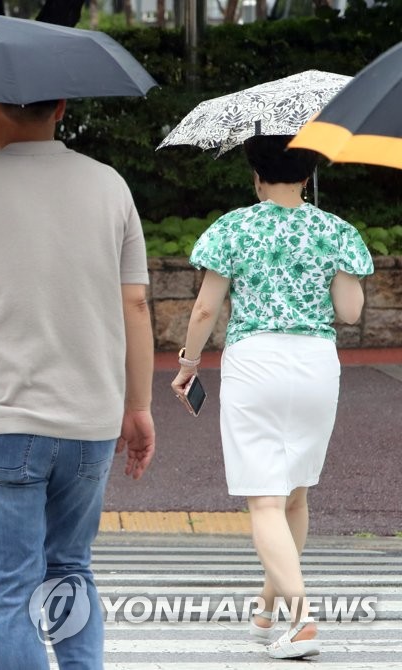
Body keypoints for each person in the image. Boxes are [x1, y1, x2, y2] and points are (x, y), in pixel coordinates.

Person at [0, 99, 156, 670]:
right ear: (63, 108)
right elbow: (137, 302)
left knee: (13, 593)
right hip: (91, 420)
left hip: (5, 421)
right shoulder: (109, 185)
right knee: (71, 569)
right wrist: (139, 405)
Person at [170, 134, 372, 660]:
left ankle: (302, 620)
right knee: (296, 492)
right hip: (314, 364)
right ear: (308, 174)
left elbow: (204, 312)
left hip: (254, 363)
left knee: (264, 498)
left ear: (256, 176)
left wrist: (189, 365)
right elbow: (350, 313)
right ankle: (268, 606)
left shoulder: (233, 228)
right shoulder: (337, 231)